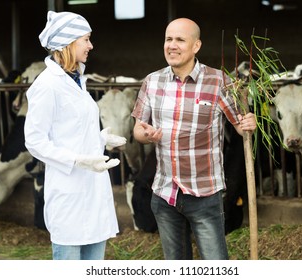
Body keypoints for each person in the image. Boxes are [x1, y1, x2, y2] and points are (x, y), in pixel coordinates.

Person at [131, 18, 257, 260]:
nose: (172, 45)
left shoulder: (219, 81)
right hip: (165, 193)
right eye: (168, 39)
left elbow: (241, 127)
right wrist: (145, 135)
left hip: (205, 195)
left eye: (180, 40)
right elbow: (138, 129)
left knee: (215, 263)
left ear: (196, 46)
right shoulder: (152, 81)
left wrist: (249, 123)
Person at [24, 11, 126, 260]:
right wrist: (77, 160)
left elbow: (70, 129)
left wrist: (101, 139)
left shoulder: (78, 79)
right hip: (68, 192)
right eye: (86, 39)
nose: (91, 45)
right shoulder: (48, 84)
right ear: (68, 43)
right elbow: (35, 140)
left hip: (93, 192)